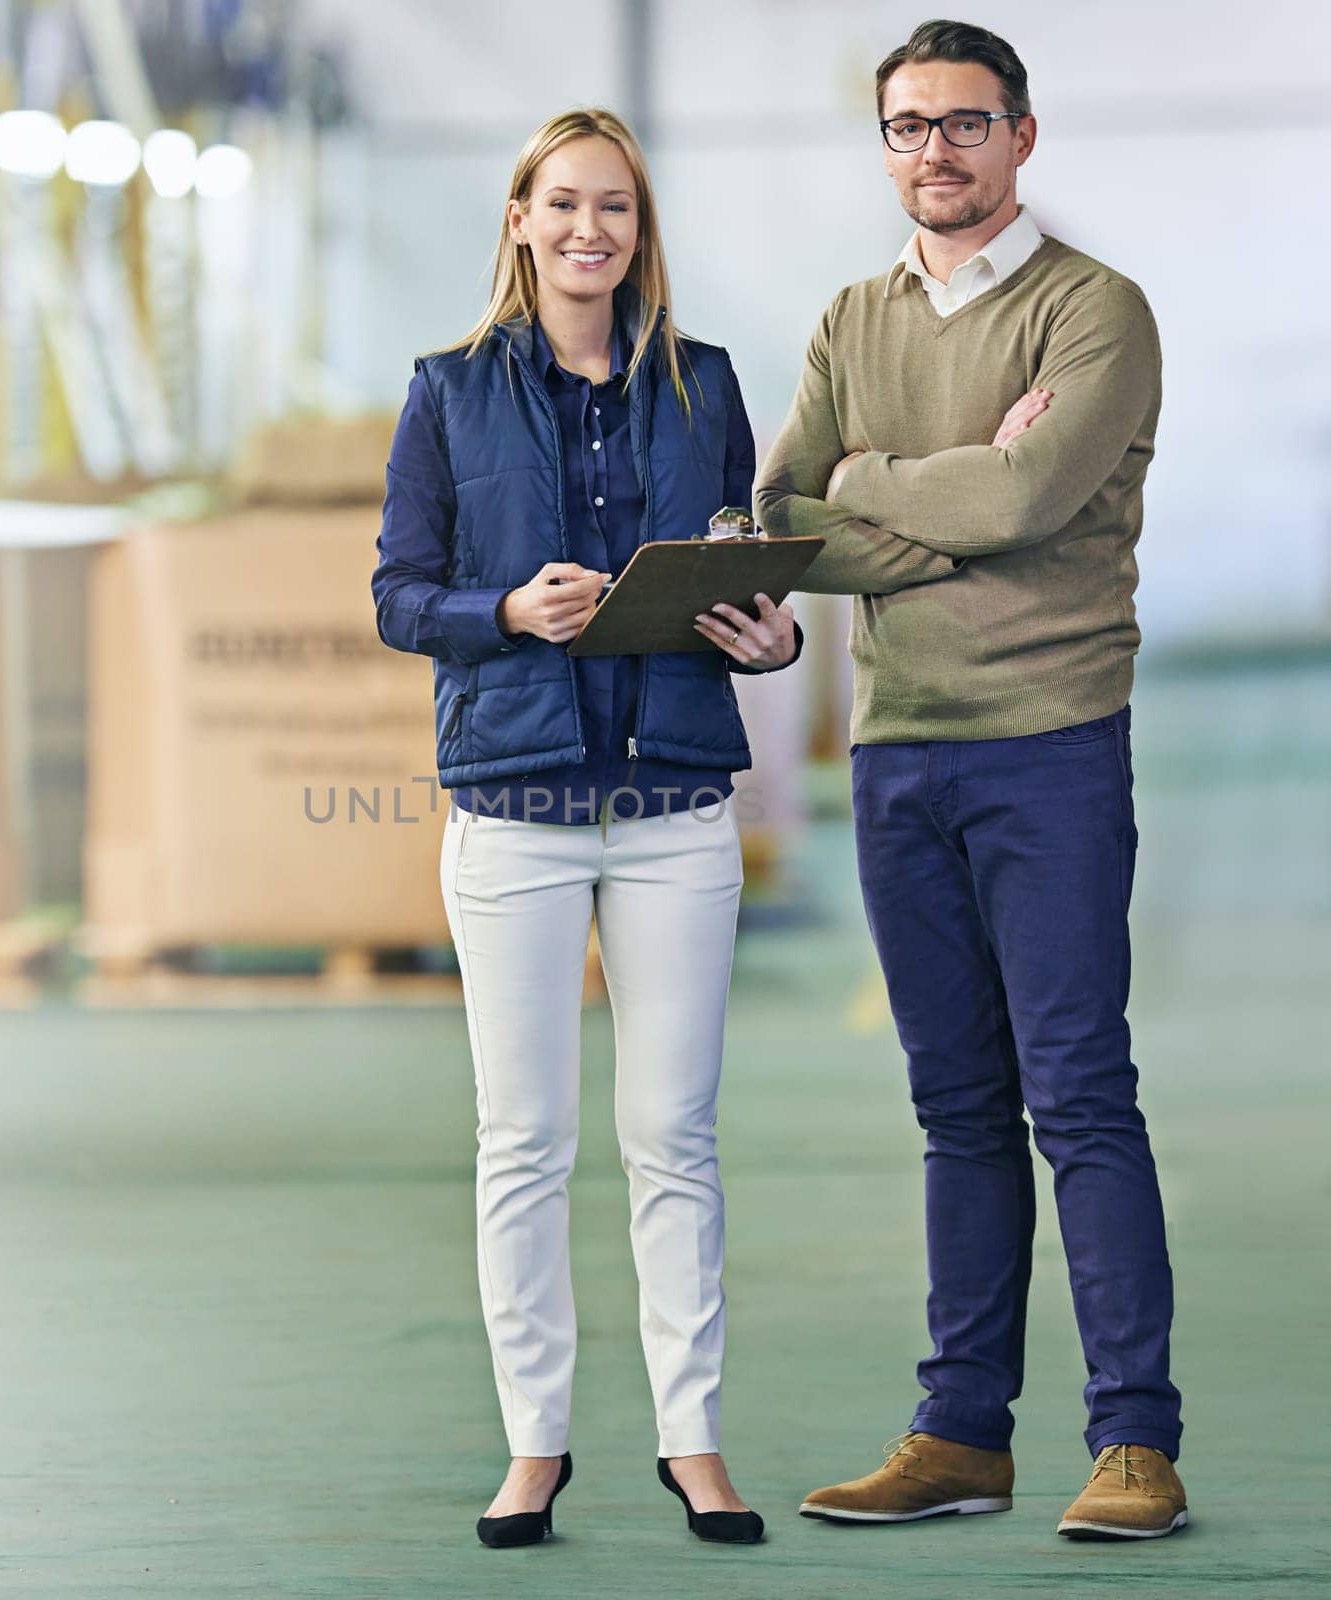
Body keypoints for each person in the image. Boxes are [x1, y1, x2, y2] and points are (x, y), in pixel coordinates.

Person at [747, 19, 1187, 1541]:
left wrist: (870, 483)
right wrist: (915, 502)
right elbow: (776, 510)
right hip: (899, 751)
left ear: (1022, 136)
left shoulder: (1096, 313)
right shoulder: (851, 318)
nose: (935, 150)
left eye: (965, 123)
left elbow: (1024, 491)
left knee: (1079, 1095)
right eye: (909, 127)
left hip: (1052, 744)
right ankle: (961, 1434)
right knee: (955, 1107)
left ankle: (1135, 1442)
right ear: (886, 147)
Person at [372, 107, 796, 1550]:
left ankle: (695, 1439)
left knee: (674, 1135)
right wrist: (501, 613)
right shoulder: (445, 392)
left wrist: (772, 639)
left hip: (676, 809)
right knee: (526, 1140)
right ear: (518, 219)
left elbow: (745, 568)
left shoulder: (705, 384)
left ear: (639, 229)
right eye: (562, 205)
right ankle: (534, 1448)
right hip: (516, 816)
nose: (587, 231)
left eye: (612, 207)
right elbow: (395, 594)